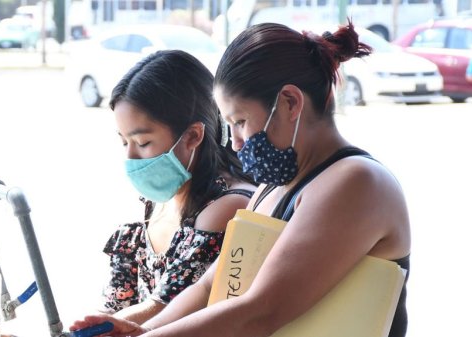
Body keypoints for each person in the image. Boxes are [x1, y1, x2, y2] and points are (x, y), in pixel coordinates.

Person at [70, 22, 411, 337]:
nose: (234, 143)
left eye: (241, 121)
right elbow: (207, 289)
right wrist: (138, 330)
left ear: (290, 103)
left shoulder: (356, 182)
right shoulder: (272, 188)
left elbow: (261, 312)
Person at [94, 49, 256, 325]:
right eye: (124, 142)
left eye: (143, 143)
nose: (130, 158)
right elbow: (113, 308)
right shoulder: (158, 203)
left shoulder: (227, 206)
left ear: (193, 136)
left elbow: (166, 309)